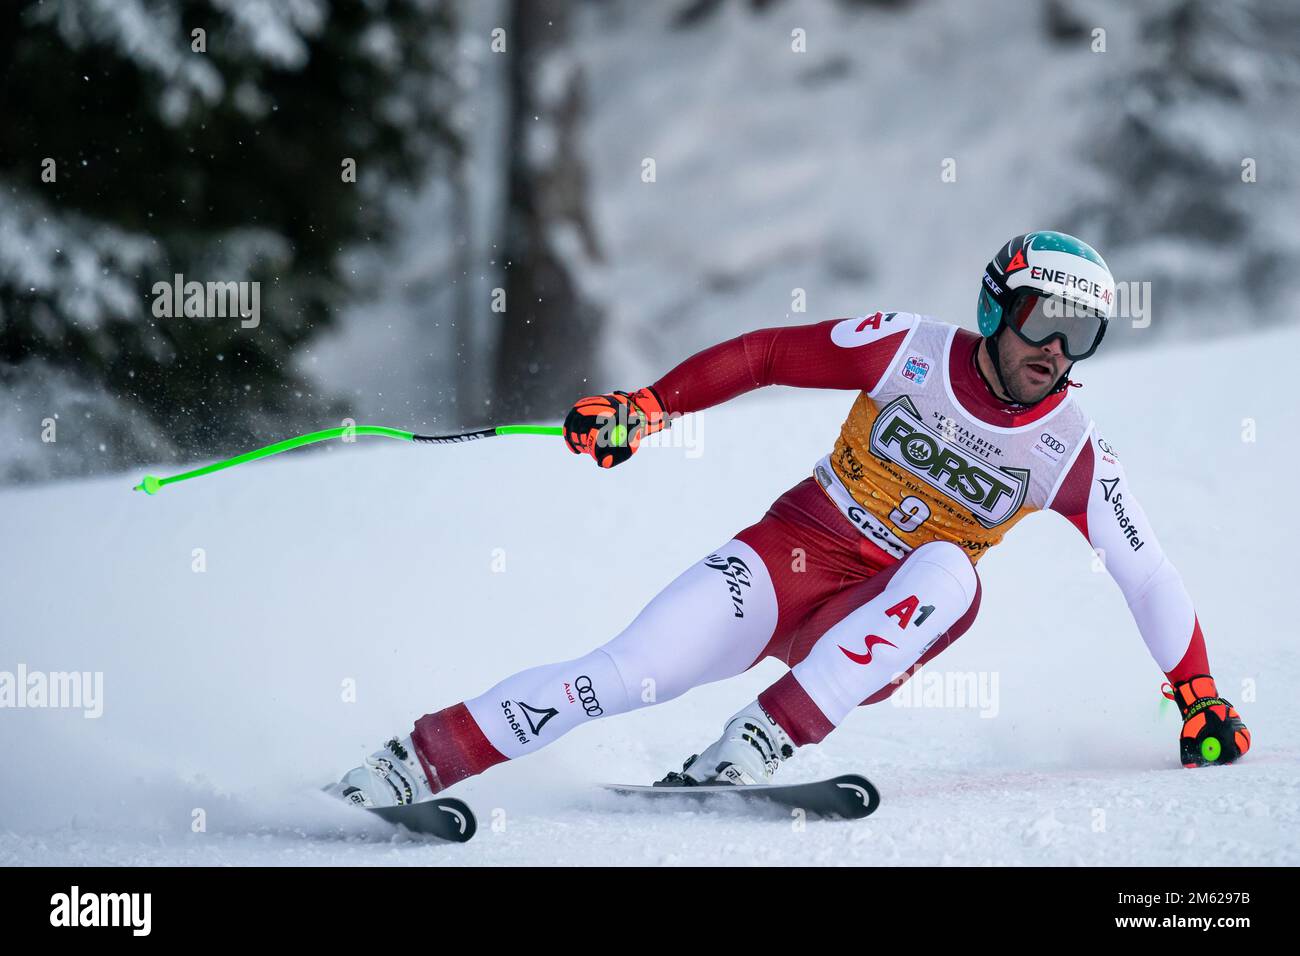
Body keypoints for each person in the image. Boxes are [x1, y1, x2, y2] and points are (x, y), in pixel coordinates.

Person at [332, 231, 1250, 808]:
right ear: (994, 311)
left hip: (882, 611)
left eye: (1079, 334)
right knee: (620, 674)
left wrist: (1197, 696)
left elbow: (1147, 573)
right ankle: (407, 764)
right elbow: (772, 352)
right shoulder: (911, 349)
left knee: (955, 574)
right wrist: (648, 407)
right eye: (1042, 321)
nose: (1055, 350)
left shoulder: (1073, 447)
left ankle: (758, 742)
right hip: (792, 554)